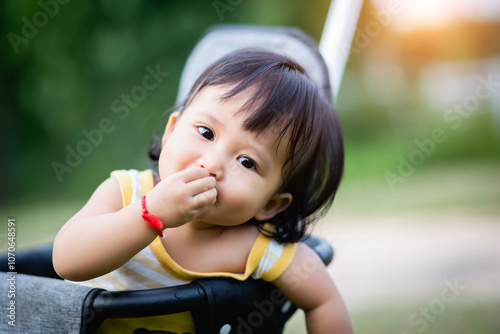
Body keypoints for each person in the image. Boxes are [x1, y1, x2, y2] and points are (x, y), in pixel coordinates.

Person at [53, 49, 353, 333]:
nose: (212, 165)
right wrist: (149, 215)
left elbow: (323, 301)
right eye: (206, 133)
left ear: (271, 204)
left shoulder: (254, 247)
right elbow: (67, 260)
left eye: (247, 162)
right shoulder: (125, 192)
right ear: (171, 130)